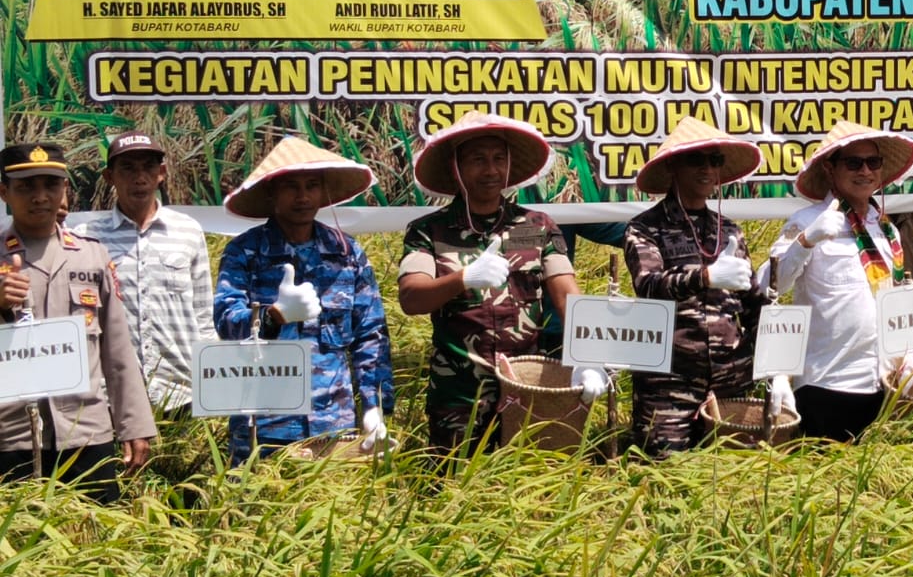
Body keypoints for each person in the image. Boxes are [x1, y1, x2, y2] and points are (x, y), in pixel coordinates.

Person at [397, 111, 588, 454]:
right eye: (478, 160)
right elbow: (412, 298)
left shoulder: (537, 226)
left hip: (526, 388)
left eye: (499, 159)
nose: (490, 170)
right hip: (459, 398)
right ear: (456, 168)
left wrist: (591, 357)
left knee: (528, 478)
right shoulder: (428, 231)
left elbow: (567, 298)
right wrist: (463, 278)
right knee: (452, 480)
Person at [213, 137, 392, 464]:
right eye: (291, 187)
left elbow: (370, 334)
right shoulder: (245, 252)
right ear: (272, 192)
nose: (303, 197)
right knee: (258, 497)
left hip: (333, 424)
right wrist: (274, 316)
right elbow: (226, 321)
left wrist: (373, 407)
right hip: (263, 427)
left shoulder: (346, 253)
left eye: (312, 186)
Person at [0, 143, 157, 503]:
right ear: (4, 192)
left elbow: (117, 349)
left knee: (95, 530)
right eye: (26, 186)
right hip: (11, 436)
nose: (41, 196)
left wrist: (134, 424)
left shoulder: (90, 254)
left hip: (86, 432)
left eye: (51, 184)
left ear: (65, 188)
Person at [767, 120, 913, 441]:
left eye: (873, 162)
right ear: (830, 168)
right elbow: (769, 286)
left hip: (883, 383)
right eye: (853, 163)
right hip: (826, 384)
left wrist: (907, 356)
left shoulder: (887, 229)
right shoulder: (807, 222)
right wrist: (806, 241)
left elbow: (895, 299)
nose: (865, 171)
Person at [623, 116, 765, 458]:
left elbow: (751, 303)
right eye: (695, 160)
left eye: (714, 161)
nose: (707, 169)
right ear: (673, 165)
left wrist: (774, 366)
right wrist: (705, 277)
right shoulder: (645, 228)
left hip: (731, 378)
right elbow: (648, 285)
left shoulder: (730, 230)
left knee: (731, 468)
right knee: (663, 469)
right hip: (669, 381)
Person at [78, 132, 216, 416]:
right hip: (112, 395)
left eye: (148, 167)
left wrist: (212, 383)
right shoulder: (87, 238)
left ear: (161, 173)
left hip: (182, 392)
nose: (139, 178)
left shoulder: (188, 231)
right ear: (109, 177)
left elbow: (203, 315)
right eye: (127, 168)